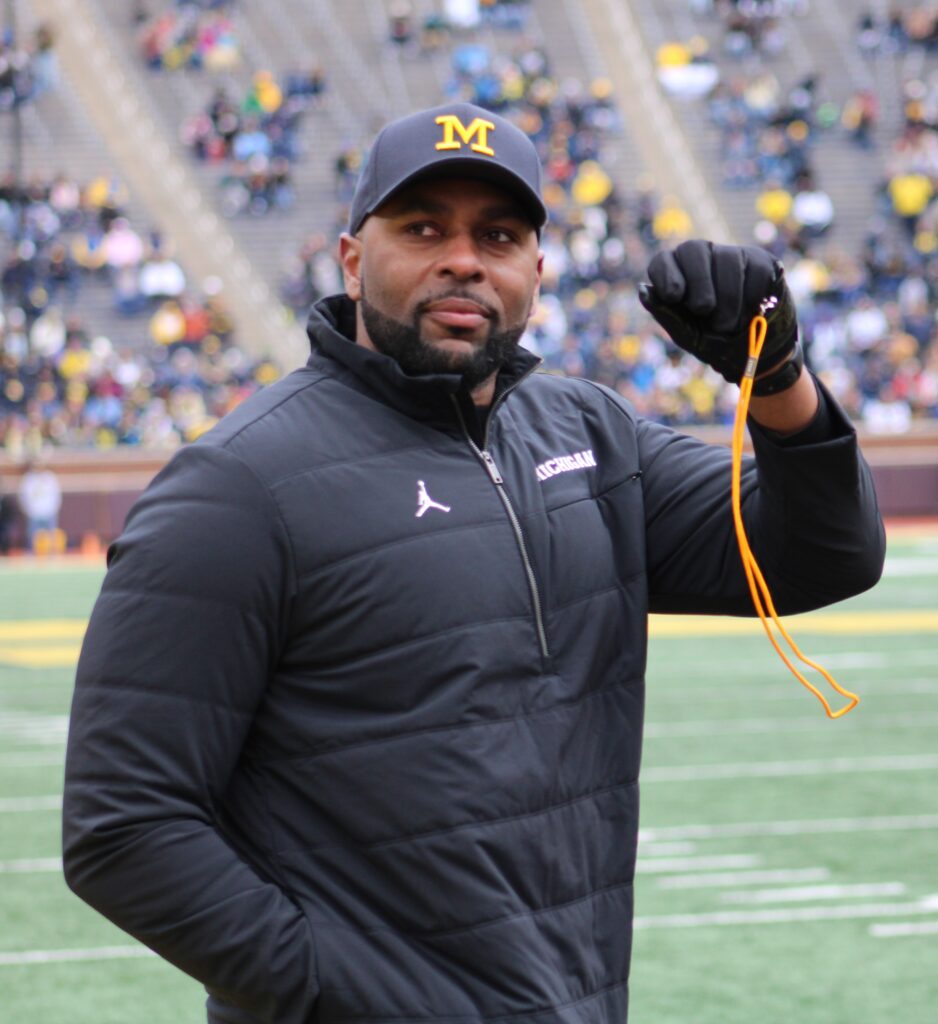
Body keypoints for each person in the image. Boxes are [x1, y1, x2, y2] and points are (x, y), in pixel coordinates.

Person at [62, 102, 885, 1024]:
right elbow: (123, 825)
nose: (464, 258)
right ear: (349, 258)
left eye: (497, 234)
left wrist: (775, 381)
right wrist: (332, 991)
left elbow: (825, 555)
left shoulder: (591, 435)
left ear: (535, 270)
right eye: (424, 228)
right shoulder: (240, 486)